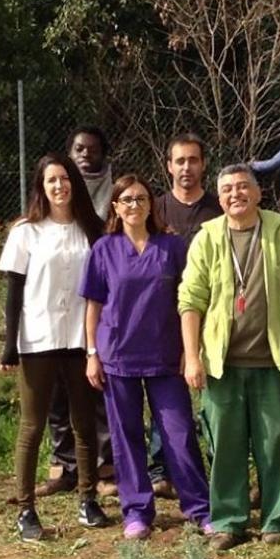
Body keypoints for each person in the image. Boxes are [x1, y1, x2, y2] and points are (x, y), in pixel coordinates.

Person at [178, 164, 280, 550]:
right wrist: (192, 358)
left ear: (257, 193)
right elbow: (190, 301)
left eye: (242, 187)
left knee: (274, 444)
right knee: (225, 446)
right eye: (226, 189)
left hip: (270, 361)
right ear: (219, 198)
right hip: (221, 364)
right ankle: (228, 522)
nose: (235, 194)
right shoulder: (207, 237)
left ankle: (274, 521)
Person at [79, 174, 211, 539]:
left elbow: (190, 301)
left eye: (141, 198)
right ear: (116, 207)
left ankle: (199, 508)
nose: (134, 205)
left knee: (179, 434)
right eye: (127, 200)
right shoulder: (104, 249)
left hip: (165, 356)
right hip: (117, 355)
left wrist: (190, 350)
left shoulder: (172, 247)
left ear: (151, 204)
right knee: (127, 436)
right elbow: (93, 306)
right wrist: (92, 353)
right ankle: (137, 512)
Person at [0, 152, 109, 541]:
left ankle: (88, 499)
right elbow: (14, 293)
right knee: (32, 426)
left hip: (80, 339)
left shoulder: (91, 229)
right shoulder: (26, 232)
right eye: (51, 180)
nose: (59, 186)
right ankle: (26, 509)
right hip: (38, 340)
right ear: (41, 187)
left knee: (84, 423)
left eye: (64, 178)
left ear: (74, 183)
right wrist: (10, 346)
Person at [36, 126, 116, 498]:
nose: (85, 155)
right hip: (52, 317)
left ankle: (104, 467)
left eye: (92, 149)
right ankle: (63, 466)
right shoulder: (52, 195)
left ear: (104, 154)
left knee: (95, 393)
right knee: (56, 396)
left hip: (93, 314)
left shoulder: (112, 197)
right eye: (78, 149)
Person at [158, 133, 223, 245]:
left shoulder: (220, 209)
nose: (186, 167)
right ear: (170, 166)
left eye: (193, 161)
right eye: (180, 161)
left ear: (203, 164)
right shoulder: (155, 211)